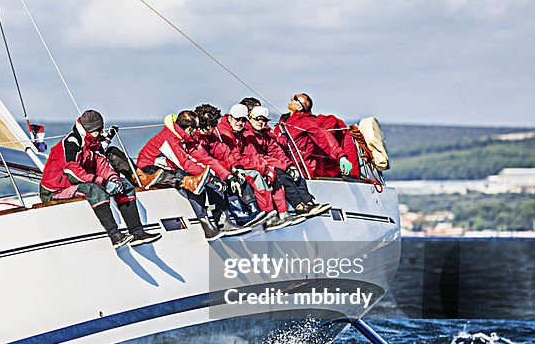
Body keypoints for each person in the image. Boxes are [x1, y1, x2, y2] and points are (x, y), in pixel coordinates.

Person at [40, 109, 161, 248]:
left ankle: (137, 233)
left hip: (74, 185)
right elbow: (73, 173)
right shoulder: (70, 144)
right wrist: (103, 182)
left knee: (125, 185)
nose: (102, 133)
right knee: (94, 189)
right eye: (99, 130)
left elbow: (102, 165)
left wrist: (113, 179)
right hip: (55, 191)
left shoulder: (91, 143)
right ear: (89, 130)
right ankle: (115, 236)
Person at [137, 111, 251, 240]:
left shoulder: (186, 137)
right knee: (195, 181)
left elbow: (205, 158)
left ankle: (223, 221)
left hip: (172, 168)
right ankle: (206, 225)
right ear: (190, 128)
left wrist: (226, 176)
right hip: (151, 170)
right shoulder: (169, 138)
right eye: (196, 128)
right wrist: (210, 178)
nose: (198, 131)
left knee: (207, 179)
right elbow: (185, 163)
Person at [245, 105, 330, 222]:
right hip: (256, 165)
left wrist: (290, 166)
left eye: (264, 120)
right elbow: (256, 156)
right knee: (281, 175)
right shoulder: (247, 134)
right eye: (258, 119)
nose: (261, 122)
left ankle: (308, 202)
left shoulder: (265, 134)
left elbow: (276, 152)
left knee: (296, 174)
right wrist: (283, 166)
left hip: (267, 163)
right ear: (250, 118)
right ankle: (299, 207)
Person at [279, 93, 354, 178]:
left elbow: (323, 137)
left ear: (299, 107)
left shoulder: (307, 121)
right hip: (282, 164)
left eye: (295, 98)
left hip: (300, 170)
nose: (292, 97)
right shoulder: (283, 120)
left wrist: (341, 157)